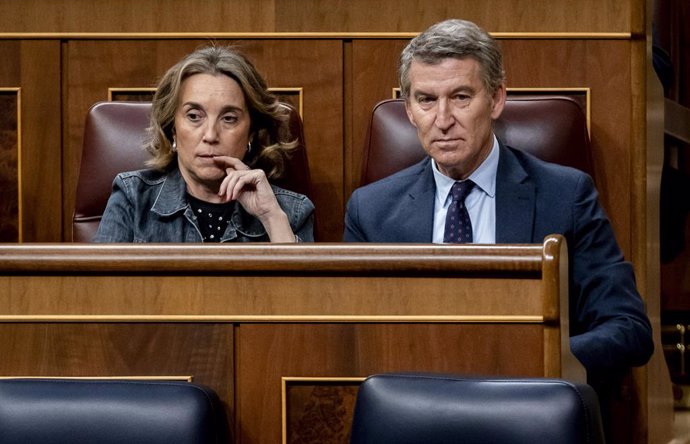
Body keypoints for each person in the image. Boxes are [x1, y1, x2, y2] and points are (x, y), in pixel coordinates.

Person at [343, 19, 653, 374]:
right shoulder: (370, 211)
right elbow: (354, 339)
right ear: (410, 111)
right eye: (426, 100)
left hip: (524, 403)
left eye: (460, 97)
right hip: (416, 403)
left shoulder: (566, 195)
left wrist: (529, 359)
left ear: (495, 100)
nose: (443, 119)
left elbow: (629, 329)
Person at [94, 45, 314, 243]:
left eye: (229, 118)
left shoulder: (291, 211)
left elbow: (304, 289)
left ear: (252, 133)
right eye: (194, 116)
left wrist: (271, 218)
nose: (210, 135)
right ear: (173, 128)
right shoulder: (133, 198)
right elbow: (98, 288)